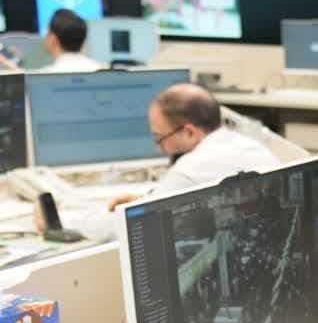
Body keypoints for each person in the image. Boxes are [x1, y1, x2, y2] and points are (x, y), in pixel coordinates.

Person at [37, 83, 281, 240]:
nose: (158, 147)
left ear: (189, 132)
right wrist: (146, 201)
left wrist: (57, 221)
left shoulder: (190, 170)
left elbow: (124, 228)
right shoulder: (246, 145)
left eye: (159, 137)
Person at [0, 9, 102, 73]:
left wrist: (12, 69)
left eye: (47, 32)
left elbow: (30, 82)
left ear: (53, 39)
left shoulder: (47, 76)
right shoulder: (101, 70)